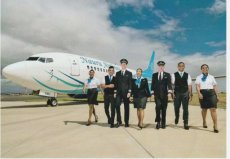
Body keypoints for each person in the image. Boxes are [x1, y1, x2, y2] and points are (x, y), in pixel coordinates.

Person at [195, 64, 219, 133]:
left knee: (213, 109)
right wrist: (199, 93)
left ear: (208, 69)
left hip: (211, 93)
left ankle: (215, 125)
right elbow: (197, 86)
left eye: (206, 67)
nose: (205, 68)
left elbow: (215, 86)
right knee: (204, 109)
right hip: (203, 93)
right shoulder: (198, 77)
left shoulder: (211, 77)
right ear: (201, 69)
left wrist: (217, 95)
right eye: (203, 68)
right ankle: (204, 121)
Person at [151, 61, 173, 129]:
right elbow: (152, 84)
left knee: (164, 109)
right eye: (160, 65)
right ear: (158, 66)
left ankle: (163, 122)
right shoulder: (154, 75)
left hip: (164, 95)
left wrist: (169, 93)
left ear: (164, 66)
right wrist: (152, 93)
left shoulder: (167, 74)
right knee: (157, 107)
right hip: (157, 95)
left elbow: (169, 84)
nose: (161, 67)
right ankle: (158, 122)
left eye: (162, 66)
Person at [171, 62, 192, 130]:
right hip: (177, 93)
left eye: (182, 66)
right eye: (180, 66)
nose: (181, 67)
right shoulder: (173, 75)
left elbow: (189, 85)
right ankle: (177, 117)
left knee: (185, 109)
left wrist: (190, 93)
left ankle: (185, 123)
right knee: (176, 108)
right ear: (178, 67)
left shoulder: (187, 75)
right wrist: (172, 93)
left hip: (185, 93)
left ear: (184, 67)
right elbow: (172, 85)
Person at [114, 58, 132, 127]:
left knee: (126, 107)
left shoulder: (129, 73)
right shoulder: (117, 73)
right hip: (118, 93)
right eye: (122, 64)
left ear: (126, 65)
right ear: (121, 65)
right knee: (117, 105)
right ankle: (119, 121)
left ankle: (126, 122)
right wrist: (115, 92)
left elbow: (130, 83)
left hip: (126, 93)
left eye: (124, 64)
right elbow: (116, 84)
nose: (123, 65)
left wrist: (129, 92)